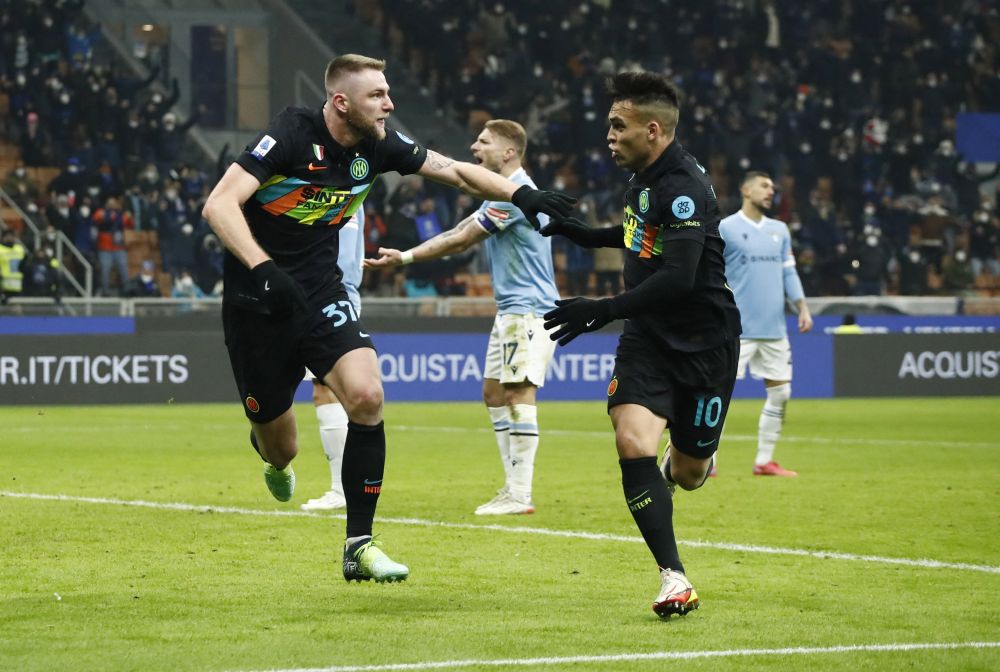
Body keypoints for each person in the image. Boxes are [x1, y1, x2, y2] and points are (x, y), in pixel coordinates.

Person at [201, 54, 574, 584]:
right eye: (377, 95)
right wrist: (262, 268)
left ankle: (359, 544)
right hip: (256, 303)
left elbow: (457, 172)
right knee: (281, 445)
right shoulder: (289, 133)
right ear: (341, 102)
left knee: (368, 395)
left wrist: (524, 193)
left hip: (321, 293)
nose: (389, 103)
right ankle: (272, 456)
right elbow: (219, 205)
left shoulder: (379, 145)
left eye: (388, 92)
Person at [540, 71, 741, 618]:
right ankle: (674, 578)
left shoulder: (682, 187)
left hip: (706, 343)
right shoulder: (645, 178)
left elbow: (678, 275)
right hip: (649, 337)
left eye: (617, 125)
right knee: (632, 442)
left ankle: (692, 455)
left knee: (689, 474)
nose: (608, 135)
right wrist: (584, 233)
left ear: (652, 130)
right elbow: (637, 233)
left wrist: (599, 309)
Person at [366, 119, 559, 515]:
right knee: (493, 393)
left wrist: (405, 257)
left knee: (519, 393)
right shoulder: (503, 194)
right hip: (511, 310)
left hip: (528, 310)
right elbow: (460, 228)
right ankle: (512, 487)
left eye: (483, 142)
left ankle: (520, 493)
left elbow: (462, 238)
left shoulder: (515, 195)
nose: (474, 147)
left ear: (508, 152)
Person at [719, 172, 813, 478]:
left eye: (773, 187)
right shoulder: (727, 228)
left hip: (774, 330)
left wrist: (802, 306)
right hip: (736, 330)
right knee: (715, 394)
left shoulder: (779, 230)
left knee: (781, 393)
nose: (771, 191)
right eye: (764, 185)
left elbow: (789, 272)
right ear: (746, 189)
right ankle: (706, 460)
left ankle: (764, 461)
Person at [300, 209, 365, 512]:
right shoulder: (354, 193)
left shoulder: (333, 193)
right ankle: (347, 486)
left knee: (326, 390)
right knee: (332, 391)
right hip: (336, 296)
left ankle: (341, 489)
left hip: (326, 298)